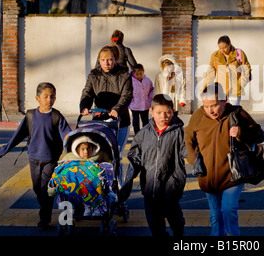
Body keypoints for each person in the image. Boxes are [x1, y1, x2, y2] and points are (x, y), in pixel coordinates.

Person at [185, 83, 262, 236]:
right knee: (215, 216)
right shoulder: (199, 115)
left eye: (213, 105)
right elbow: (188, 138)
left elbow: (257, 133)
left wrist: (240, 132)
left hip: (232, 174)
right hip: (208, 177)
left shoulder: (237, 113)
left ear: (224, 100)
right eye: (206, 106)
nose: (210, 110)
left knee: (228, 210)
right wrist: (193, 159)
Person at [0, 82, 71, 229]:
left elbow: (67, 136)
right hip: (34, 157)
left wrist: (73, 151)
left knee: (45, 189)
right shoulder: (31, 115)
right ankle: (45, 208)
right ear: (38, 98)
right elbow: (18, 136)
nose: (50, 100)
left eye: (53, 97)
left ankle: (44, 219)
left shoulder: (57, 116)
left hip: (50, 159)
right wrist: (4, 149)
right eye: (46, 96)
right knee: (37, 188)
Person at [120, 94, 187, 236]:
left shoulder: (179, 132)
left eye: (168, 112)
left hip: (171, 186)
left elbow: (189, 152)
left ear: (173, 112)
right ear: (152, 112)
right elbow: (134, 158)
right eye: (159, 113)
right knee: (155, 225)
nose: (164, 116)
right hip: (150, 187)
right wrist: (127, 183)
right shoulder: (143, 134)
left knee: (176, 222)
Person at [80, 45, 133, 185]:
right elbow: (87, 93)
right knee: (100, 155)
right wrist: (84, 106)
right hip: (100, 121)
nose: (106, 63)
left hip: (120, 121)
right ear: (99, 60)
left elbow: (126, 96)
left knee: (116, 156)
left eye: (110, 59)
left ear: (115, 60)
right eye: (103, 60)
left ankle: (119, 190)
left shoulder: (124, 76)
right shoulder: (94, 75)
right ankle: (101, 186)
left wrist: (117, 109)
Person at [202, 35, 251, 106]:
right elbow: (210, 73)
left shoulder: (239, 54)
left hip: (235, 89)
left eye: (224, 47)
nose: (222, 50)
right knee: (222, 112)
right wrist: (205, 88)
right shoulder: (215, 56)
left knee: (233, 112)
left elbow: (246, 70)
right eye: (220, 48)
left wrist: (241, 84)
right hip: (221, 90)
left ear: (229, 44)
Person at [128, 63, 154, 134]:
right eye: (137, 74)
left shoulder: (147, 81)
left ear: (143, 72)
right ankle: (137, 135)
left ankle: (146, 134)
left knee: (145, 121)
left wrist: (149, 100)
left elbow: (151, 90)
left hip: (145, 105)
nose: (139, 76)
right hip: (135, 106)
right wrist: (131, 101)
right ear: (134, 73)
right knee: (136, 122)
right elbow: (128, 92)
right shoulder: (130, 81)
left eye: (140, 74)